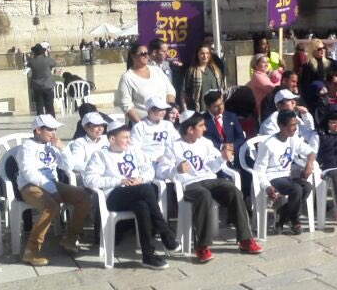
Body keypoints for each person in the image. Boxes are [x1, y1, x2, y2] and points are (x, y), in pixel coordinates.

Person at [161, 112, 262, 263]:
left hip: (209, 179)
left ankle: (245, 239)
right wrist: (176, 169)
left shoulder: (205, 143)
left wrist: (222, 158)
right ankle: (202, 246)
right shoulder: (173, 146)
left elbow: (213, 167)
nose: (205, 129)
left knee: (233, 190)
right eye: (201, 126)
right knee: (204, 196)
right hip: (189, 184)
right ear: (190, 129)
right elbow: (161, 171)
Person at [83, 121, 178, 269]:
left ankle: (148, 256)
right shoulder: (101, 155)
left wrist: (141, 178)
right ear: (112, 139)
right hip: (113, 196)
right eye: (125, 137)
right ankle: (165, 232)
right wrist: (119, 181)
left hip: (135, 192)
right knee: (147, 189)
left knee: (142, 206)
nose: (129, 141)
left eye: (129, 137)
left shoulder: (132, 151)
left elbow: (149, 169)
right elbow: (89, 180)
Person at [16, 114, 91, 266]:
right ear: (38, 130)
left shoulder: (51, 145)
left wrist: (63, 149)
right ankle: (31, 250)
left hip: (52, 182)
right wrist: (52, 190)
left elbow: (68, 167)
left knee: (83, 197)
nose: (54, 133)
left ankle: (69, 239)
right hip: (30, 185)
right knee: (51, 206)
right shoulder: (27, 147)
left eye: (55, 129)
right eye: (50, 129)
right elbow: (29, 173)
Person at [254, 110, 317, 235]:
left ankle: (282, 215)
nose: (295, 128)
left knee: (307, 187)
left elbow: (311, 152)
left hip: (286, 176)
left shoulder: (293, 139)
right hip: (272, 177)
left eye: (296, 124)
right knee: (296, 189)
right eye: (292, 125)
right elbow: (259, 170)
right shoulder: (268, 144)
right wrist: (267, 187)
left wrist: (309, 166)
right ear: (281, 126)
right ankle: (294, 220)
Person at [117, 43, 176, 123]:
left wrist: (170, 109)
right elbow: (126, 105)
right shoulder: (127, 77)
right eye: (143, 53)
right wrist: (141, 125)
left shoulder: (157, 70)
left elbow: (170, 90)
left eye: (147, 53)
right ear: (133, 56)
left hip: (164, 122)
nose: (146, 56)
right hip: (142, 123)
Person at [131, 97, 180, 179]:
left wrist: (169, 158)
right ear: (150, 111)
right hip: (148, 164)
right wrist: (153, 159)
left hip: (168, 162)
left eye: (164, 109)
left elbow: (177, 142)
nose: (163, 112)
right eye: (160, 110)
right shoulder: (140, 127)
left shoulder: (168, 125)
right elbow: (134, 149)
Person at [183, 44, 223, 113]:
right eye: (202, 53)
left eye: (207, 53)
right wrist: (185, 109)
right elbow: (184, 92)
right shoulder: (191, 71)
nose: (205, 56)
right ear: (197, 55)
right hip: (197, 110)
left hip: (214, 110)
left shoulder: (216, 71)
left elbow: (221, 90)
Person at [148, 38, 184, 106]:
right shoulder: (145, 67)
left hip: (168, 103)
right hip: (153, 105)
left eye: (167, 51)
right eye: (164, 51)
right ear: (154, 53)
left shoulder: (168, 65)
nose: (167, 53)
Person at [27, 42, 58, 116]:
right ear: (43, 51)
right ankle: (51, 121)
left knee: (39, 106)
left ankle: (41, 122)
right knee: (49, 106)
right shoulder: (47, 59)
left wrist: (32, 57)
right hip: (47, 85)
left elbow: (28, 66)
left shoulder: (31, 61)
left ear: (34, 52)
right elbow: (54, 63)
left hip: (37, 87)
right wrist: (47, 55)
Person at [299, 39, 334, 103]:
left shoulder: (330, 62)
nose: (322, 50)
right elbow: (305, 85)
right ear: (313, 51)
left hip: (330, 95)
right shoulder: (308, 66)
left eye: (323, 48)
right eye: (319, 49)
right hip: (316, 98)